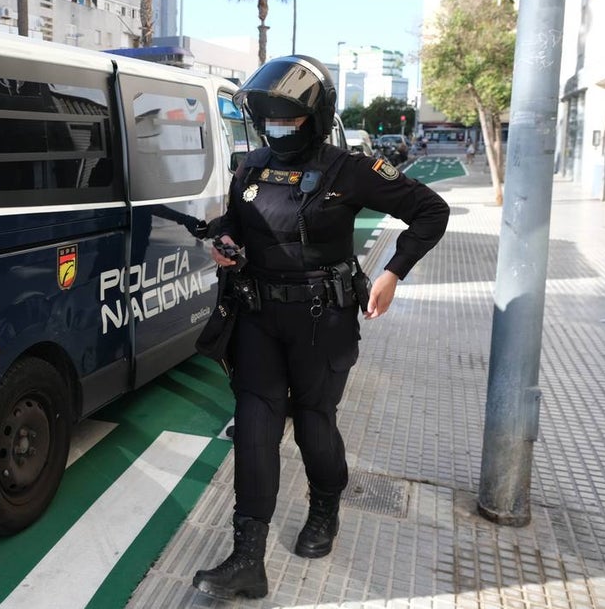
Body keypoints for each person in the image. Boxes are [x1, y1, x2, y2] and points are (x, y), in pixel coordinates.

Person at [191, 55, 449, 601]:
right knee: (255, 429)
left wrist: (392, 273)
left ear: (315, 116)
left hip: (322, 321)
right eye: (269, 116)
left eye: (288, 117)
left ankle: (325, 508)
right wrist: (224, 241)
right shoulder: (250, 166)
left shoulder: (349, 169)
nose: (277, 126)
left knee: (314, 424)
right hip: (257, 316)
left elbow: (430, 210)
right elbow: (235, 222)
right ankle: (247, 558)